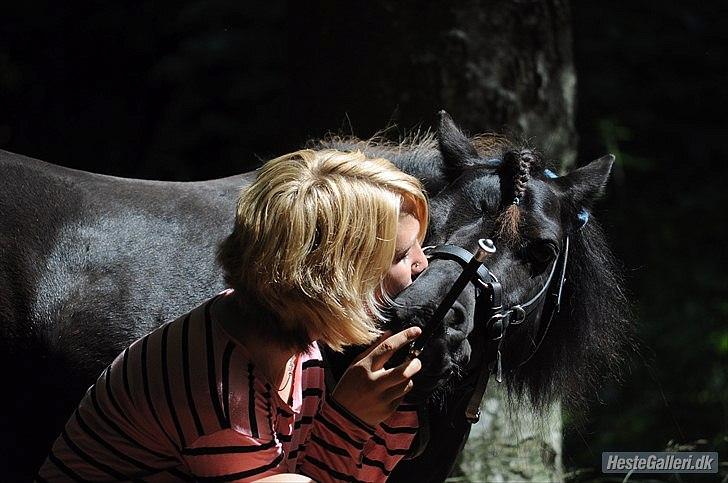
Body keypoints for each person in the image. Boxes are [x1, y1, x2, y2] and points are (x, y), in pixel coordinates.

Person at [37, 148, 430, 482]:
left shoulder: (281, 333)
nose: (422, 263)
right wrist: (350, 420)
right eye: (400, 255)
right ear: (333, 275)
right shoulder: (224, 401)